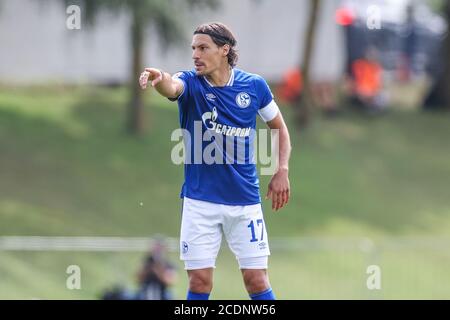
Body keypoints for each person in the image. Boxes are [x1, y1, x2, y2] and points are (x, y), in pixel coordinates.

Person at [139, 22, 291, 300]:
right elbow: (172, 87)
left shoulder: (254, 86)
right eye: (193, 48)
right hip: (201, 201)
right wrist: (159, 77)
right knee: (199, 282)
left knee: (256, 280)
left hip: (245, 202)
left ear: (224, 50)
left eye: (203, 48)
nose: (196, 54)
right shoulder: (191, 83)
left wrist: (281, 169)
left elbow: (279, 128)